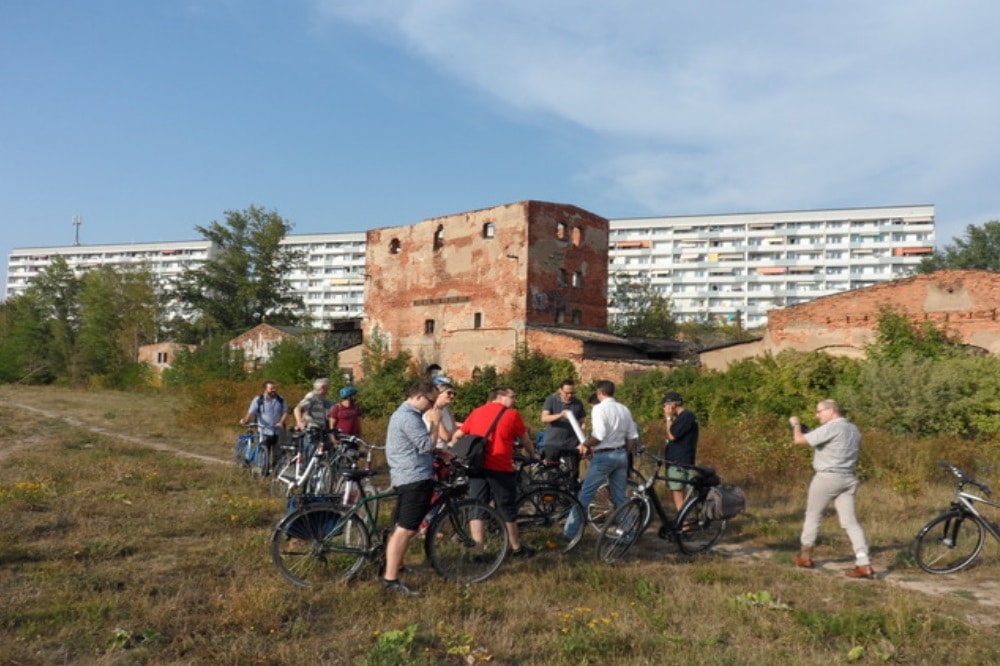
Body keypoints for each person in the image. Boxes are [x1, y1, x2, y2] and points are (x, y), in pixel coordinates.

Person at [789, 399, 875, 579]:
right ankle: (864, 562)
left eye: (819, 411)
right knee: (850, 523)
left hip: (827, 478)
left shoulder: (832, 427)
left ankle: (805, 556)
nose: (817, 415)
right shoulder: (853, 429)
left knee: (813, 515)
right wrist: (811, 433)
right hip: (848, 478)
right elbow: (831, 445)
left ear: (831, 410)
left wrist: (796, 425)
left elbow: (798, 440)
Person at [453, 386, 538, 558]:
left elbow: (457, 435)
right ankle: (516, 548)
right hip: (500, 466)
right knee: (506, 507)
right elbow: (525, 440)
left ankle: (478, 552)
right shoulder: (511, 415)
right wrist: (533, 454)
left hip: (476, 466)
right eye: (512, 396)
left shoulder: (476, 412)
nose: (515, 400)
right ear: (500, 396)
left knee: (477, 506)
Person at [382, 380, 442, 595]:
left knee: (402, 526)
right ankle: (390, 579)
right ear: (418, 396)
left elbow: (414, 447)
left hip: (408, 476)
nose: (431, 406)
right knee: (406, 529)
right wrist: (435, 423)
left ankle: (396, 565)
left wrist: (440, 452)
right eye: (430, 401)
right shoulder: (408, 417)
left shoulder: (406, 415)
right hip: (414, 477)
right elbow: (425, 445)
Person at [563, 380, 639, 539]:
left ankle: (570, 533)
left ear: (600, 393)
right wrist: (625, 452)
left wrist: (585, 444)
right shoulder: (624, 409)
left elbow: (599, 435)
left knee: (586, 493)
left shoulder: (599, 409)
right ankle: (628, 533)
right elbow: (632, 436)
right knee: (620, 497)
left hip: (604, 455)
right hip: (621, 454)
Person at [540, 379, 587, 483]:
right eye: (566, 393)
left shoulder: (577, 403)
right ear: (560, 390)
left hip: (571, 444)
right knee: (552, 473)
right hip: (553, 444)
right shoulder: (551, 400)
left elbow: (583, 423)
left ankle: (571, 491)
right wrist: (560, 415)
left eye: (572, 393)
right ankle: (552, 492)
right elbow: (544, 418)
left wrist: (582, 442)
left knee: (573, 473)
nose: (569, 395)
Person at [239, 380, 287, 475]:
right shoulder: (258, 400)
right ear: (265, 389)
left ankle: (275, 474)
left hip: (277, 431)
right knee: (264, 452)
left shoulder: (280, 399)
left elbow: (285, 411)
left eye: (275, 388)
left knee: (278, 454)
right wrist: (246, 419)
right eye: (271, 388)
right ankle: (264, 473)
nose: (274, 390)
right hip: (264, 431)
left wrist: (281, 422)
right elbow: (251, 412)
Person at [662, 391, 699, 512]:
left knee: (678, 493)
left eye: (665, 406)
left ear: (672, 405)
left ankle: (684, 521)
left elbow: (672, 436)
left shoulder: (686, 416)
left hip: (679, 462)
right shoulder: (683, 418)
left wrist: (668, 418)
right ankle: (685, 519)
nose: (664, 409)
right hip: (680, 460)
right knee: (680, 494)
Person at [293, 378, 333, 458]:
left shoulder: (320, 398)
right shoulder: (312, 396)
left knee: (319, 453)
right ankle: (306, 465)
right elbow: (297, 408)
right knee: (311, 453)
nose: (328, 390)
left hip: (320, 430)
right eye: (327, 387)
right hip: (312, 429)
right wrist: (299, 422)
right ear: (322, 387)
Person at [423, 376, 459, 449]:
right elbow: (445, 437)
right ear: (439, 393)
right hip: (434, 450)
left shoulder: (447, 409)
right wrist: (455, 434)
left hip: (446, 449)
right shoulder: (432, 411)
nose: (452, 396)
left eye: (454, 394)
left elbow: (454, 428)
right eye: (449, 393)